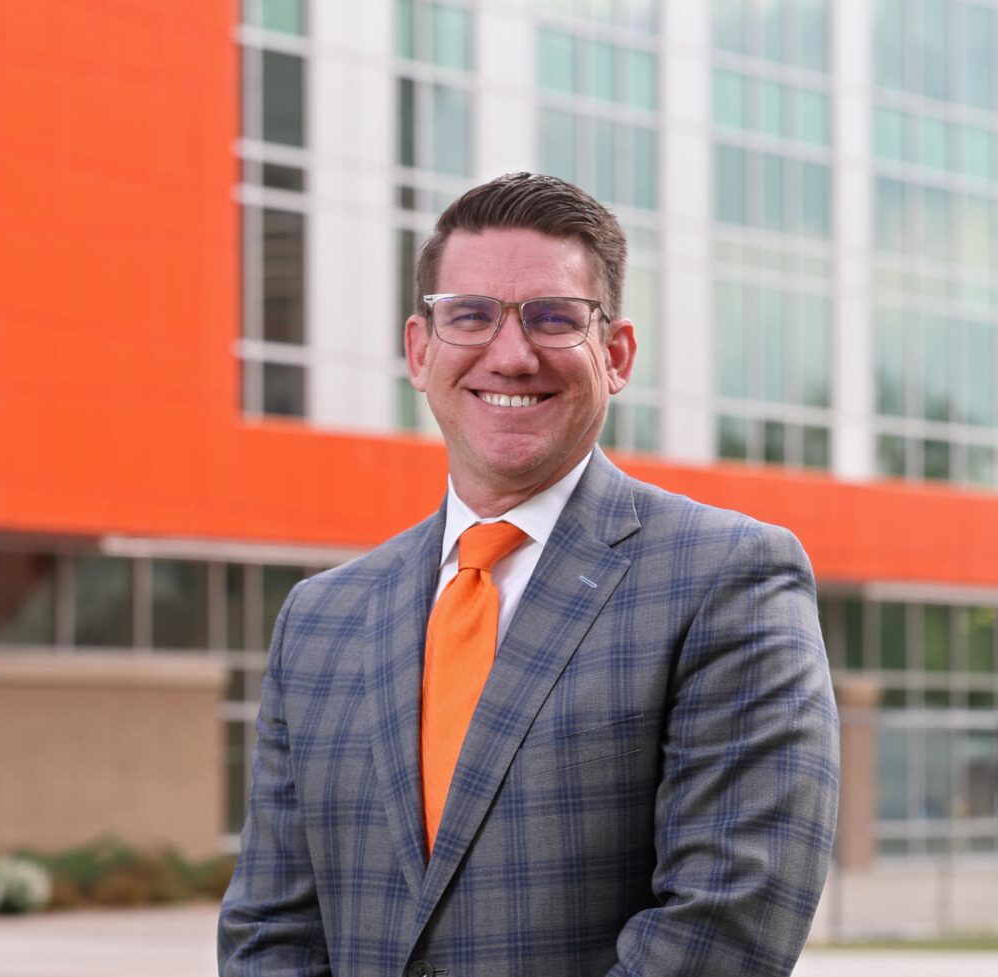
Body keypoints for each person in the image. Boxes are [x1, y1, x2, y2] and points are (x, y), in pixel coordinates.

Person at [218, 172, 839, 977]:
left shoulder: (729, 580)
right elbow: (272, 933)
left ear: (614, 355)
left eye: (553, 318)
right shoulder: (319, 618)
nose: (510, 356)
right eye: (469, 316)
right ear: (420, 350)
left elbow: (723, 928)